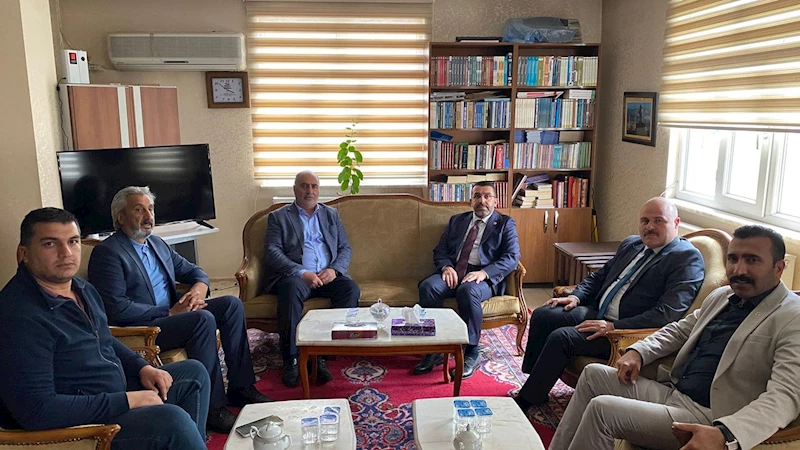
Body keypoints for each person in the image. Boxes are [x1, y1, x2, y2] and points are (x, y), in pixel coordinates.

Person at [550, 225, 800, 450]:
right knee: (593, 374)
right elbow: (679, 330)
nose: (739, 270)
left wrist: (726, 433)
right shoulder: (722, 296)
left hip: (710, 415)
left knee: (602, 410)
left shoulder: (792, 317)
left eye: (752, 260)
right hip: (676, 392)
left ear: (779, 268)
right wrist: (639, 352)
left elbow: (785, 396)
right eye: (733, 259)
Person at [0, 208, 209, 450]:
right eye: (50, 244)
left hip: (112, 393)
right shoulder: (20, 316)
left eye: (73, 241)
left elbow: (104, 338)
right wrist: (127, 401)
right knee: (172, 421)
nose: (66, 253)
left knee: (194, 374)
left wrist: (142, 367)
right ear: (24, 253)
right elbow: (37, 410)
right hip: (81, 427)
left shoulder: (82, 289)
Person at [87, 186, 272, 434]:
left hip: (174, 314)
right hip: (145, 326)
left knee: (231, 304)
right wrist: (170, 313)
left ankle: (242, 387)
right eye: (139, 210)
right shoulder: (108, 253)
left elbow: (195, 272)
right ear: (120, 217)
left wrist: (198, 289)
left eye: (150, 209)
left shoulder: (157, 244)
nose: (148, 216)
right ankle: (213, 408)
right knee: (202, 320)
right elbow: (116, 308)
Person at [516, 197, 704, 410]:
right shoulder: (633, 244)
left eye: (658, 221)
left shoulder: (686, 258)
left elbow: (667, 313)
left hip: (626, 331)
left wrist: (614, 326)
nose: (650, 227)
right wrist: (576, 297)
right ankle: (536, 382)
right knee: (544, 314)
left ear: (676, 223)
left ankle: (528, 399)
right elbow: (599, 276)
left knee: (562, 337)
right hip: (598, 312)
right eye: (645, 221)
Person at [413, 181, 520, 379]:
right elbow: (440, 250)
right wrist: (446, 267)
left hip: (483, 277)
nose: (482, 201)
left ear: (495, 201)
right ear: (471, 200)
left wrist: (484, 273)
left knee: (468, 291)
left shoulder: (505, 223)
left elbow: (512, 258)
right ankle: (435, 347)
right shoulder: (457, 221)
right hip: (455, 271)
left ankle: (471, 351)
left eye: (487, 196)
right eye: (477, 196)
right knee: (428, 287)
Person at [264, 170, 361, 387]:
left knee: (350, 289)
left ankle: (322, 356)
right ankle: (291, 359)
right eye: (304, 186)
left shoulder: (331, 215)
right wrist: (302, 272)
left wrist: (334, 270)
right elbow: (272, 251)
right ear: (294, 190)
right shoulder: (279, 217)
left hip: (327, 275)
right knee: (290, 290)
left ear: (319, 190)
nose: (310, 191)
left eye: (314, 186)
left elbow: (345, 248)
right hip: (297, 276)